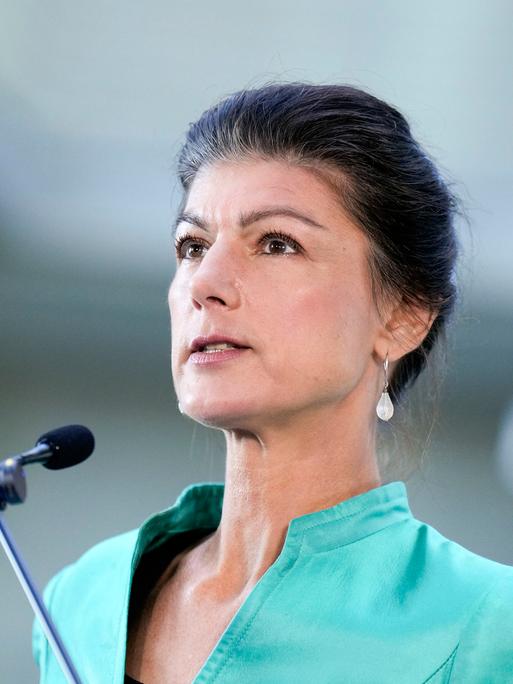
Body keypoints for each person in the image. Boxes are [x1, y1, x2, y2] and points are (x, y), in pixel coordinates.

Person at [33, 82, 513, 683]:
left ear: (402, 317)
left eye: (276, 244)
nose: (206, 281)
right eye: (192, 245)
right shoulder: (79, 602)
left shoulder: (487, 626)